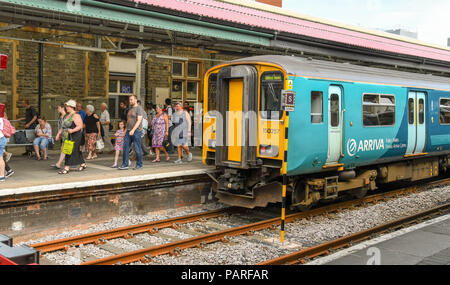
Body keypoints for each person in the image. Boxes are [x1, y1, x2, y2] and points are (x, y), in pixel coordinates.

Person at [59, 100, 86, 175]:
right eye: (66, 106)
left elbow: (80, 126)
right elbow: (63, 126)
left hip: (75, 135)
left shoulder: (76, 115)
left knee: (69, 150)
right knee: (76, 150)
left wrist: (72, 130)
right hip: (68, 135)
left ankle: (66, 167)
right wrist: (59, 133)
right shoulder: (68, 115)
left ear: (71, 107)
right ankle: (82, 164)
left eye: (67, 106)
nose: (66, 108)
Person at [119, 95, 146, 170]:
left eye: (131, 99)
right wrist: (125, 130)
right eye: (129, 100)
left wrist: (133, 130)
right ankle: (125, 164)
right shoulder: (130, 109)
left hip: (136, 131)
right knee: (125, 147)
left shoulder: (139, 109)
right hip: (128, 131)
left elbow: (139, 120)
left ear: (136, 100)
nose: (130, 101)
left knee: (137, 148)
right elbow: (128, 121)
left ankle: (139, 165)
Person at [52, 104, 68, 169]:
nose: (57, 109)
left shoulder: (66, 116)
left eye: (58, 108)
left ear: (62, 108)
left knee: (64, 149)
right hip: (63, 135)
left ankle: (59, 163)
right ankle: (59, 163)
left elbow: (64, 126)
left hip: (67, 134)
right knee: (63, 149)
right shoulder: (61, 116)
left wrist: (58, 134)